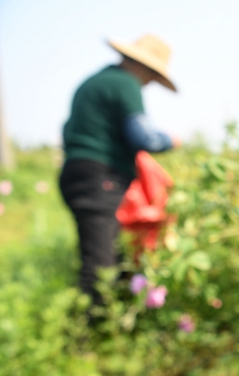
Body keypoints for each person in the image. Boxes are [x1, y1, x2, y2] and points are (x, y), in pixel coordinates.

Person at [59, 34, 180, 305]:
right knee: (99, 263)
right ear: (144, 67)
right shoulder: (125, 83)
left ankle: (114, 321)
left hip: (78, 173)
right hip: (100, 176)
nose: (149, 83)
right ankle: (87, 339)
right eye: (151, 76)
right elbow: (143, 137)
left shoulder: (96, 81)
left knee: (112, 252)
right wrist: (170, 140)